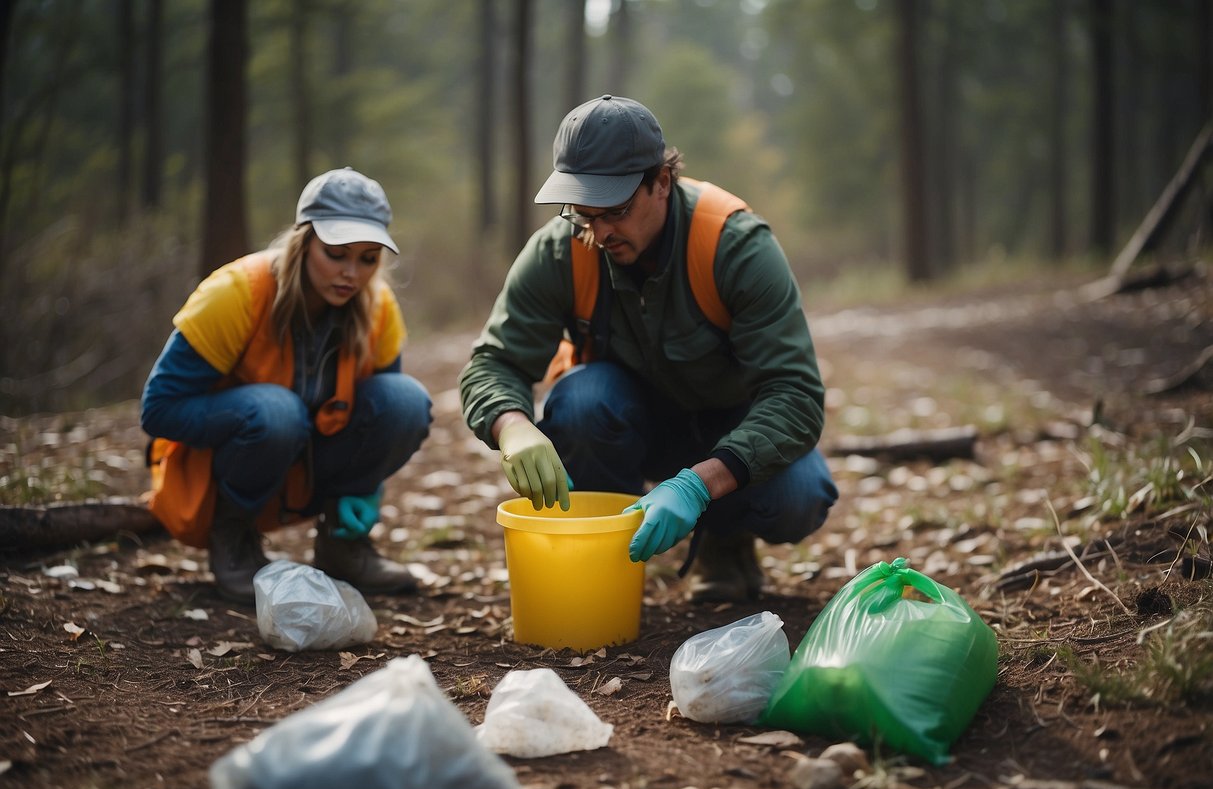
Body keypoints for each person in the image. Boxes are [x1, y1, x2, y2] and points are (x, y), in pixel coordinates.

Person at [459, 95, 837, 603]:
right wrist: (512, 424)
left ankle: (724, 543)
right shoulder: (559, 251)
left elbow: (796, 395)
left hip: (729, 431)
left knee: (799, 496)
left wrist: (698, 485)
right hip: (625, 427)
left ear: (662, 181)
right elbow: (493, 362)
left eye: (615, 210)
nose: (599, 232)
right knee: (582, 400)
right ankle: (607, 558)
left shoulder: (735, 246)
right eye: (583, 213)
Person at [142, 168, 432, 604]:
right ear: (304, 240)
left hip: (311, 461)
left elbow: (385, 414)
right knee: (277, 413)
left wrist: (367, 488)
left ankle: (342, 544)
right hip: (228, 463)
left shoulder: (377, 305)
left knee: (408, 402)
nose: (351, 274)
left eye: (368, 259)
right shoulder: (236, 292)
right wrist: (262, 418)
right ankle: (234, 540)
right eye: (337, 253)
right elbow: (158, 409)